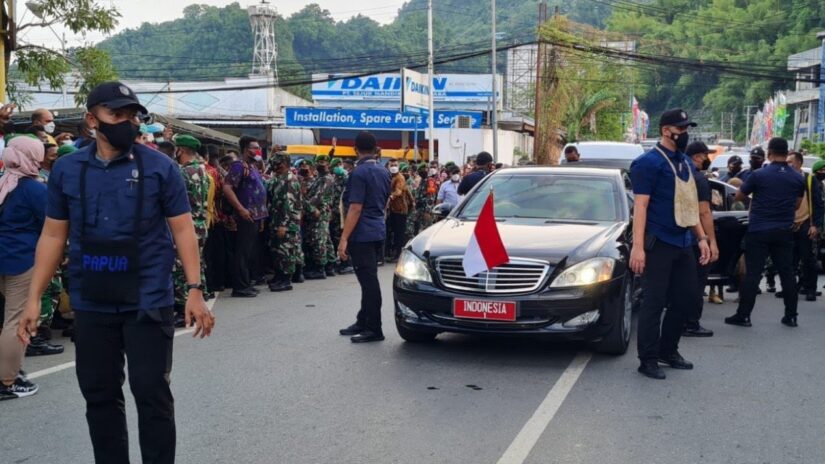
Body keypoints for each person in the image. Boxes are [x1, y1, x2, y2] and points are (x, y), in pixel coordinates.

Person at [17, 81, 214, 462]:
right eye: (116, 114)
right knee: (100, 397)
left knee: (152, 394)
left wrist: (194, 288)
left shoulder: (161, 167)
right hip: (92, 303)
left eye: (132, 115)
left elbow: (183, 228)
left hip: (148, 300)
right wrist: (32, 299)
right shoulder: (68, 170)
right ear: (92, 120)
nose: (127, 122)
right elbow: (54, 235)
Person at [629, 109, 710, 380]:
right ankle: (648, 359)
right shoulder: (648, 163)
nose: (685, 133)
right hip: (659, 242)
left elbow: (690, 208)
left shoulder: (685, 163)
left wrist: (702, 238)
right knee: (654, 302)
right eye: (681, 129)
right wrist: (637, 247)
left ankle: (668, 350)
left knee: (686, 299)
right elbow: (640, 206)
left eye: (687, 128)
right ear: (666, 130)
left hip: (684, 241)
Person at [725, 138, 805, 329]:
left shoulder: (759, 175)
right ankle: (791, 316)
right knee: (786, 273)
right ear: (787, 153)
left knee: (753, 273)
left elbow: (739, 196)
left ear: (769, 152)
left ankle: (744, 316)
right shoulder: (797, 177)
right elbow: (797, 205)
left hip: (759, 229)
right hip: (784, 230)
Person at [0, 136, 48, 400]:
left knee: (5, 319)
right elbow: (51, 226)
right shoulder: (34, 189)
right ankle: (8, 381)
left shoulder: (2, 181)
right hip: (21, 259)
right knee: (16, 321)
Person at [337, 131, 391, 343]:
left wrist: (344, 238)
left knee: (368, 281)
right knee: (367, 278)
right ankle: (363, 320)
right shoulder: (383, 171)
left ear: (355, 148)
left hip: (363, 233)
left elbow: (355, 208)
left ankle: (374, 328)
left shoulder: (359, 173)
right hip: (377, 229)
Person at [171, 134, 210, 327]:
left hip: (187, 226)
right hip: (201, 225)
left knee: (180, 269)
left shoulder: (182, 173)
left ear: (181, 150)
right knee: (197, 263)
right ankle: (199, 298)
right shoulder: (203, 170)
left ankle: (182, 309)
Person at [223, 135, 268, 297]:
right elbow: (227, 188)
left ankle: (246, 282)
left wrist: (261, 217)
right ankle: (240, 287)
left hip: (256, 216)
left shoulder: (252, 166)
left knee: (249, 251)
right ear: (244, 149)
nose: (258, 150)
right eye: (254, 148)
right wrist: (241, 209)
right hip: (245, 216)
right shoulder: (238, 166)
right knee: (242, 252)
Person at [683, 141, 719, 337]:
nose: (707, 159)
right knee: (696, 282)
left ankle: (680, 320)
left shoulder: (677, 174)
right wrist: (711, 241)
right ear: (698, 156)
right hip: (696, 239)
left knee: (680, 284)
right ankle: (691, 323)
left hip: (674, 238)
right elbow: (704, 212)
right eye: (706, 155)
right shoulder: (699, 179)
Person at [785, 151, 822, 302]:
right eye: (786, 162)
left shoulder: (809, 180)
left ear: (799, 163)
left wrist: (816, 226)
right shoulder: (784, 179)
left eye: (790, 162)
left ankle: (810, 289)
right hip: (788, 224)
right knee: (788, 260)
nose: (787, 165)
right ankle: (790, 288)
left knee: (807, 259)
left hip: (806, 223)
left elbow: (819, 204)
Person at [266, 152, 304, 291]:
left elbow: (288, 204)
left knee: (285, 251)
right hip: (277, 219)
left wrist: (284, 225)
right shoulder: (279, 178)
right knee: (278, 250)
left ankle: (286, 280)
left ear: (285, 163)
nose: (275, 165)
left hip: (286, 222)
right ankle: (279, 276)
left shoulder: (289, 180)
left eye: (278, 163)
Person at [303, 155, 336, 279]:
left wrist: (306, 205)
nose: (320, 164)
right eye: (319, 162)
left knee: (319, 240)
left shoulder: (326, 178)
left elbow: (318, 196)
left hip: (320, 211)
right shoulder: (320, 177)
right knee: (325, 239)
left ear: (327, 164)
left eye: (323, 162)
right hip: (320, 211)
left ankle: (320, 268)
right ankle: (330, 266)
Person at [387, 159, 415, 262]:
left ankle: (399, 255)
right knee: (395, 232)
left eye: (395, 165)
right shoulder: (391, 177)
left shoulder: (400, 178)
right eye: (391, 165)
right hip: (394, 209)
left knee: (399, 233)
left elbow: (398, 191)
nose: (393, 166)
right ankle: (395, 253)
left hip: (400, 209)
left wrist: (390, 197)